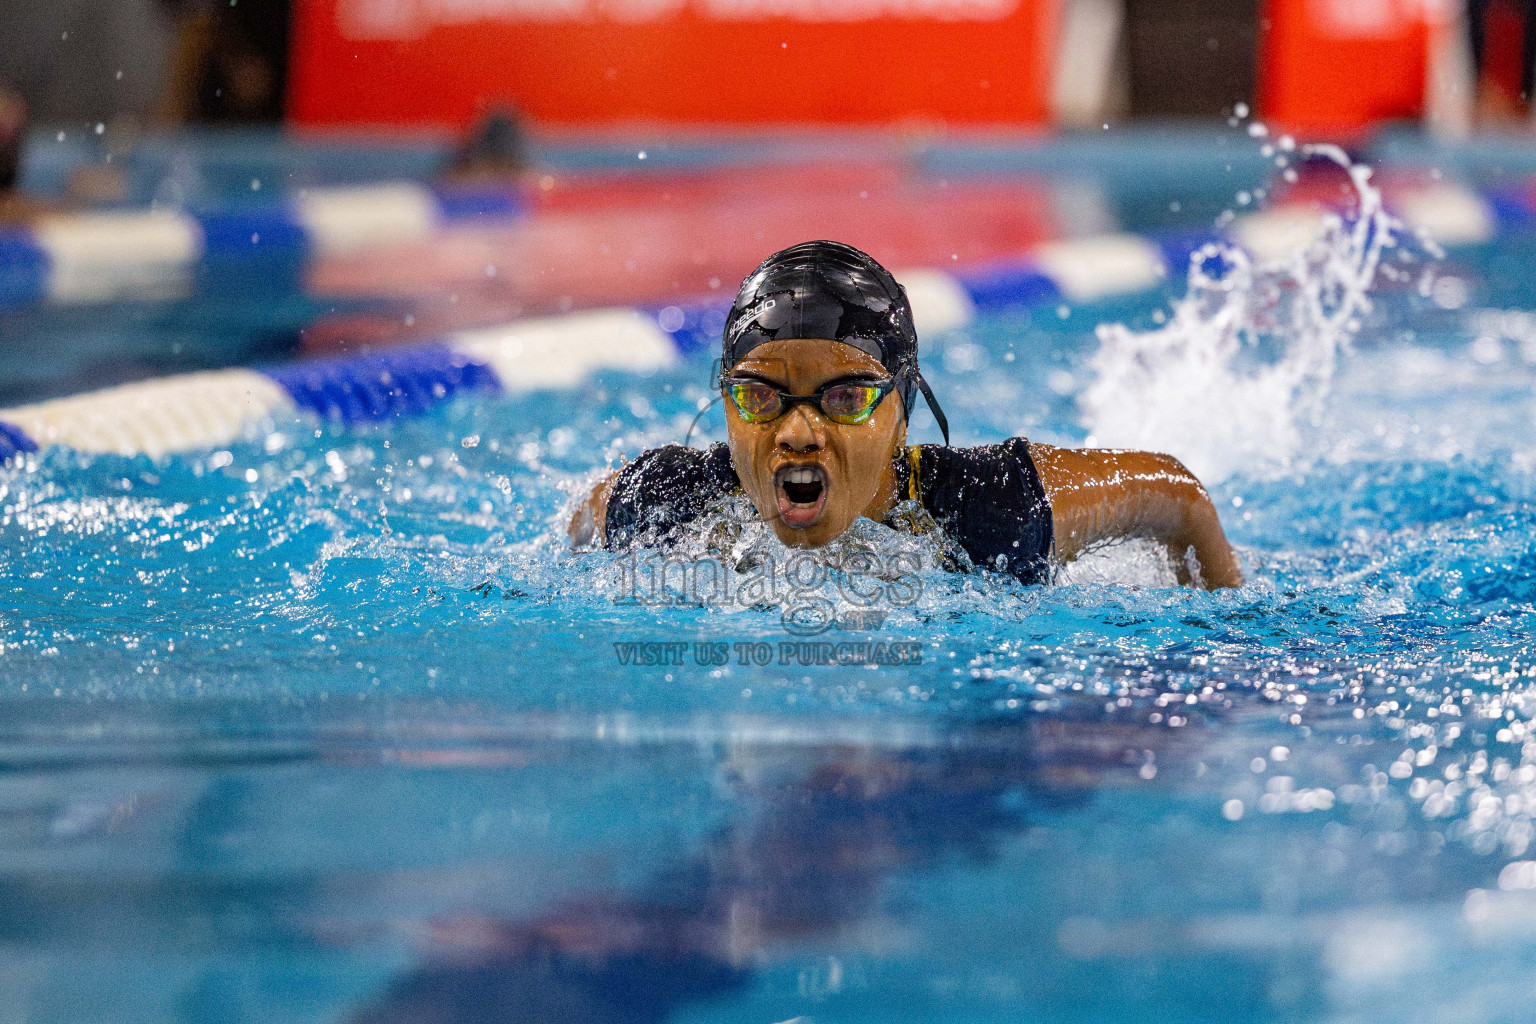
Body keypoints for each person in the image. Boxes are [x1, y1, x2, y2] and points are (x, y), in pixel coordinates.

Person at [568, 240, 1242, 590]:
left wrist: (1214, 629)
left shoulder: (994, 509)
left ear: (903, 411)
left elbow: (1175, 494)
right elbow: (579, 520)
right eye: (761, 396)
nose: (798, 433)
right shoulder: (670, 503)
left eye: (847, 396)